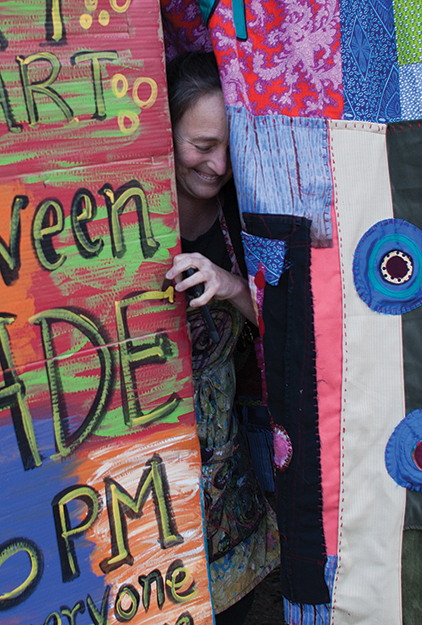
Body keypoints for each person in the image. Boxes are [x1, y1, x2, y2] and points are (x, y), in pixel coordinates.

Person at [163, 52, 278, 625]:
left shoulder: (241, 219)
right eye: (202, 144)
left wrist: (231, 283)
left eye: (232, 147)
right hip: (142, 491)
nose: (219, 165)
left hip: (225, 490)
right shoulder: (119, 221)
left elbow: (291, 327)